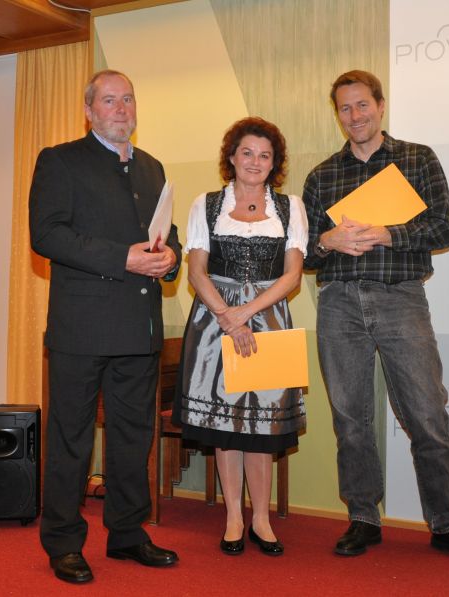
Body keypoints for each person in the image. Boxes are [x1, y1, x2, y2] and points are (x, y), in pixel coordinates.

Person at [302, 70, 449, 565]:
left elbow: (443, 228)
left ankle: (447, 524)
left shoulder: (417, 158)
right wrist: (327, 240)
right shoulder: (322, 176)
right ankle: (363, 518)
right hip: (339, 302)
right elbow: (303, 254)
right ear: (337, 114)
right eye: (345, 108)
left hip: (401, 297)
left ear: (380, 106)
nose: (354, 116)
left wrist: (388, 233)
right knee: (350, 419)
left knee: (427, 415)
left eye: (362, 105)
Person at [29, 69, 182, 584]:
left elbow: (165, 235)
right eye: (110, 100)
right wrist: (124, 258)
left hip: (139, 328)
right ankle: (63, 542)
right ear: (89, 111)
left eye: (128, 99)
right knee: (70, 439)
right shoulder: (60, 161)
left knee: (133, 438)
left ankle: (128, 534)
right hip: (81, 328)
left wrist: (171, 258)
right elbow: (47, 234)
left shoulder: (153, 167)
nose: (121, 109)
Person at [175, 117, 307, 557]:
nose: (255, 161)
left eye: (264, 155)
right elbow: (197, 271)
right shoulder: (206, 204)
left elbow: (292, 276)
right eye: (247, 152)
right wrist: (227, 317)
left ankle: (261, 520)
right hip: (214, 321)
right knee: (225, 425)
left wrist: (246, 314)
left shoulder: (290, 207)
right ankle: (233, 516)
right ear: (231, 157)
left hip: (268, 319)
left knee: (262, 427)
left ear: (274, 163)